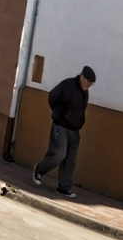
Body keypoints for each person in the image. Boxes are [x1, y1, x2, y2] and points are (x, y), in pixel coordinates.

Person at [32, 66, 95, 198]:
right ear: (82, 77)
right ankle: (39, 169)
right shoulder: (68, 85)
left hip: (75, 130)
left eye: (91, 84)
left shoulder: (85, 92)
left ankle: (63, 188)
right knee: (59, 154)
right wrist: (59, 113)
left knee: (70, 161)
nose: (89, 85)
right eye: (88, 82)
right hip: (61, 126)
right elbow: (52, 96)